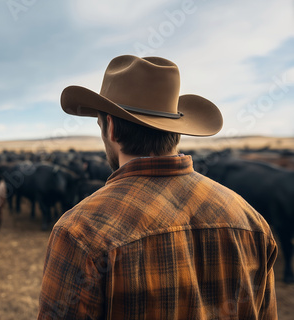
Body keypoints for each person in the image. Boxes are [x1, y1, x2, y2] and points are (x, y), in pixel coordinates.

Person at [38, 55, 277, 319]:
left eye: (100, 124)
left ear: (112, 128)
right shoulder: (250, 220)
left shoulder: (80, 232)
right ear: (176, 129)